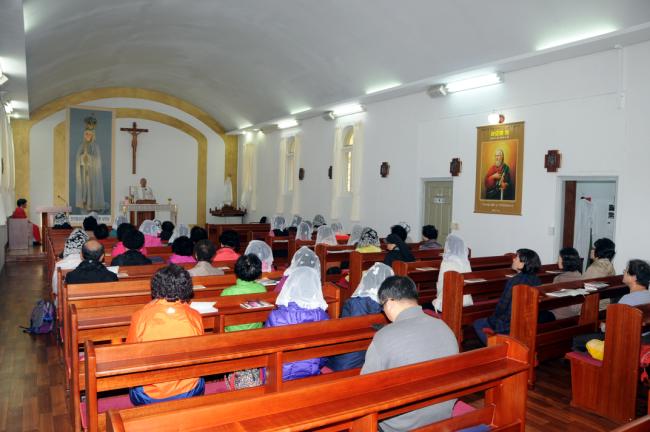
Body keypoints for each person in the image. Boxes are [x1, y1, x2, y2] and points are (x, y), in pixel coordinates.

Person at [361, 276, 458, 431]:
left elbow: (365, 387)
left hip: (402, 425)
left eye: (382, 306)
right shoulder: (444, 327)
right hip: (442, 415)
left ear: (390, 302)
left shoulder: (384, 336)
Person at [126, 265, 204, 405]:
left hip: (150, 395)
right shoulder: (194, 315)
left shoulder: (141, 316)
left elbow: (130, 353)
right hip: (189, 390)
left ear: (156, 286)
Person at [573, 259, 650, 355]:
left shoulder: (627, 300)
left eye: (626, 271)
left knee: (577, 340)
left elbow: (613, 329)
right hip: (644, 339)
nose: (623, 272)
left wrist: (603, 326)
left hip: (624, 342)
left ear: (634, 277)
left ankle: (588, 362)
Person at [265, 267, 330, 380]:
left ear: (290, 286)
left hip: (278, 375)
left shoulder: (277, 316)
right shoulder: (323, 316)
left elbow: (266, 349)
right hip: (311, 371)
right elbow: (325, 352)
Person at [326, 263, 393, 371]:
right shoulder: (390, 306)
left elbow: (343, 332)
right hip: (373, 360)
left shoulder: (353, 303)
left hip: (348, 362)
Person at [473, 249, 546, 345]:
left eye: (516, 258)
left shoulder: (515, 281)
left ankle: (497, 348)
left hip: (508, 324)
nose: (513, 260)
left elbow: (502, 306)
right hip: (526, 322)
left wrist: (492, 320)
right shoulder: (537, 279)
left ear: (523, 264)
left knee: (478, 323)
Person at [220, 254, 267, 331]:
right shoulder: (262, 289)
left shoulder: (227, 292)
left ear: (236, 270)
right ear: (258, 272)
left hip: (231, 333)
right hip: (256, 331)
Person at [433, 233, 472, 312]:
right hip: (466, 300)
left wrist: (438, 296)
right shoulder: (465, 261)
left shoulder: (446, 261)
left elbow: (441, 283)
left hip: (449, 302)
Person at [75, 115, 106, 211]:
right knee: (85, 187)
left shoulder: (95, 146)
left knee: (91, 187)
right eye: (86, 134)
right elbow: (78, 158)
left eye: (89, 134)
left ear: (92, 135)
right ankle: (85, 203)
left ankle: (92, 204)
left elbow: (97, 160)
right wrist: (82, 158)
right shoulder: (82, 145)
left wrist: (89, 157)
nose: (87, 136)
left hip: (92, 172)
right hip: (84, 171)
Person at [550, 248, 586, 320]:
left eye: (559, 259)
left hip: (558, 314)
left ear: (565, 261)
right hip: (575, 314)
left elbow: (551, 300)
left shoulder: (559, 278)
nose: (557, 261)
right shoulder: (581, 276)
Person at [51, 228, 89, 296]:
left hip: (65, 297)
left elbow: (56, 290)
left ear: (68, 245)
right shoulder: (90, 263)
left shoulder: (59, 265)